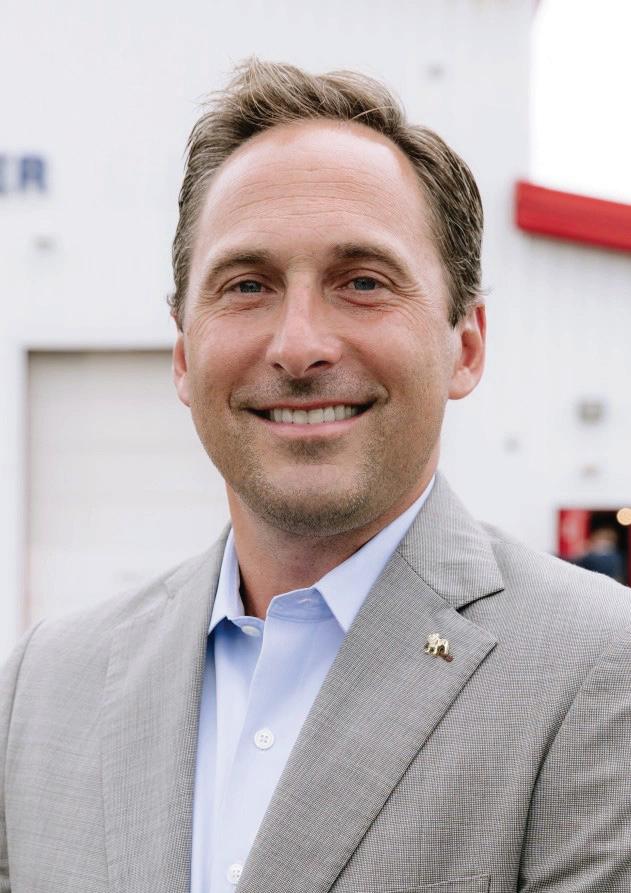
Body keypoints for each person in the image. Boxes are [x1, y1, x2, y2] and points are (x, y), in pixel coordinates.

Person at [2, 59, 631, 893]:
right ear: (184, 355)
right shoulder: (43, 686)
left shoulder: (596, 669)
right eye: (247, 285)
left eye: (362, 282)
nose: (298, 346)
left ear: (466, 345)